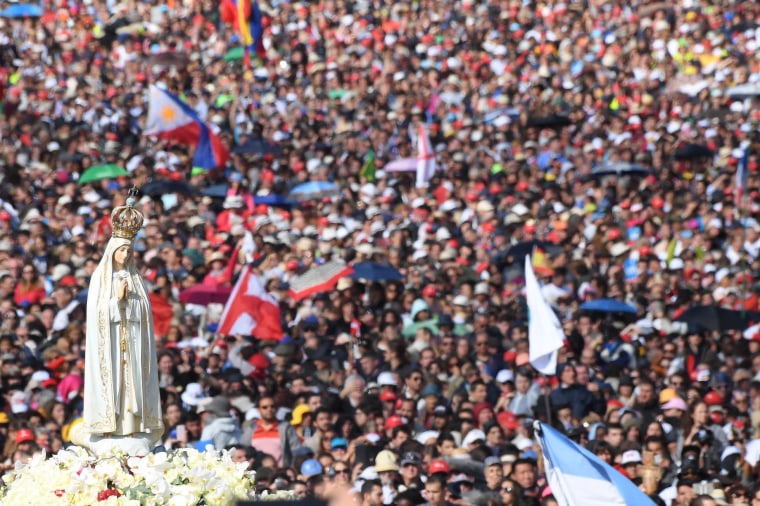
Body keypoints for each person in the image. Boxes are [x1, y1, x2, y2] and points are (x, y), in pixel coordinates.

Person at [74, 192, 163, 456]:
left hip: (132, 342)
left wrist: (130, 302)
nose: (125, 254)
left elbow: (145, 313)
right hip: (111, 343)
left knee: (132, 385)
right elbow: (97, 313)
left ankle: (133, 426)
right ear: (112, 251)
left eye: (129, 250)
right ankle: (109, 427)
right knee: (113, 383)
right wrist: (116, 302)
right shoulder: (101, 279)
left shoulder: (136, 279)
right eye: (121, 249)